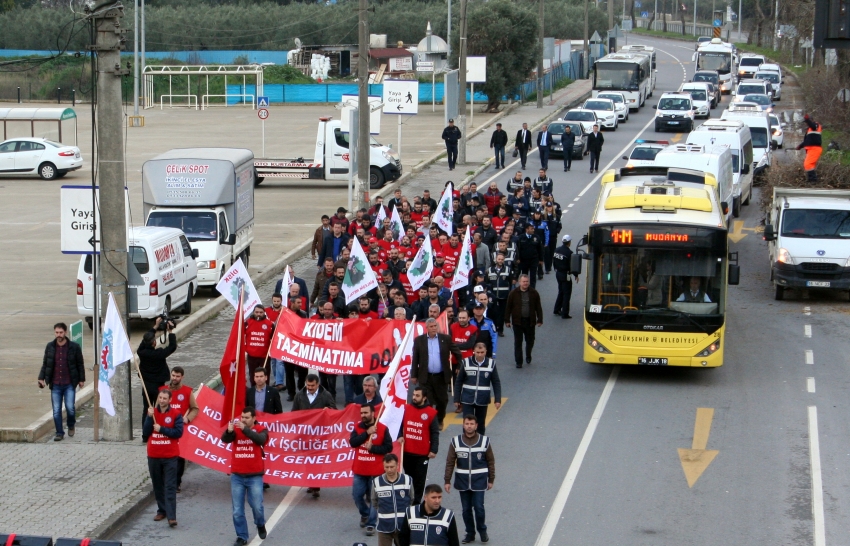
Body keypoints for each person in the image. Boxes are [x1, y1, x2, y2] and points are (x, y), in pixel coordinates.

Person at [443, 415, 495, 544]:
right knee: (466, 510)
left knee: (479, 507)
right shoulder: (455, 441)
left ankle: (482, 531)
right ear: (463, 425)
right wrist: (447, 481)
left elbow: (490, 461)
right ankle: (470, 533)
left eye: (472, 424)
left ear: (476, 425)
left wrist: (491, 479)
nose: (469, 426)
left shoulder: (484, 441)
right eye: (467, 423)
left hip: (479, 481)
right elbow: (450, 462)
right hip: (463, 482)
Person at [221, 407, 268, 546]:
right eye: (242, 417)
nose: (243, 420)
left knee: (257, 506)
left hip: (254, 476)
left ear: (253, 418)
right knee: (237, 510)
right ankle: (242, 536)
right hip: (237, 475)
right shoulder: (236, 429)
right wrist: (229, 431)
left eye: (247, 417)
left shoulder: (261, 429)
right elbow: (225, 439)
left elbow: (260, 440)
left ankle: (260, 523)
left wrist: (245, 429)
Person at [350, 404, 394, 536]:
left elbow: (388, 448)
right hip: (360, 470)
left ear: (373, 413)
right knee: (357, 496)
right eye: (361, 413)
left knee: (374, 499)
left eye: (365, 413)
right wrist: (366, 434)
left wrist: (373, 449)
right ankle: (365, 514)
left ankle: (371, 523)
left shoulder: (382, 428)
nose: (363, 415)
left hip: (376, 471)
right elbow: (353, 442)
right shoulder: (358, 427)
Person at [411, 318, 463, 428]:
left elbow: (457, 353)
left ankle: (439, 420)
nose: (434, 328)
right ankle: (429, 422)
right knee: (426, 400)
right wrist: (414, 375)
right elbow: (415, 358)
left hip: (441, 376)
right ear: (427, 328)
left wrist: (459, 366)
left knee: (442, 400)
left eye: (435, 326)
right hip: (426, 376)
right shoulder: (419, 340)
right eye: (431, 326)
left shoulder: (446, 339)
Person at [38, 322, 85, 441]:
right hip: (55, 384)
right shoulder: (50, 346)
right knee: (56, 410)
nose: (58, 335)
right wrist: (41, 378)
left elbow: (80, 364)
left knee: (70, 407)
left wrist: (81, 379)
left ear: (65, 333)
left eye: (61, 332)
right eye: (56, 332)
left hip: (69, 383)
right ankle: (59, 432)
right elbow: (46, 364)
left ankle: (71, 424)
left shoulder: (74, 347)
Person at [144, 389, 183, 528]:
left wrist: (162, 429)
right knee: (157, 484)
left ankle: (172, 516)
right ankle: (162, 510)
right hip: (154, 455)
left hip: (170, 456)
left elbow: (178, 433)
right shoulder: (152, 413)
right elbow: (145, 433)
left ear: (170, 400)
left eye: (165, 398)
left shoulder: (176, 414)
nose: (162, 400)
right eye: (160, 397)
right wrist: (149, 418)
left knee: (170, 485)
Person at [292, 374, 336, 499]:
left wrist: (329, 409)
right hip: (305, 435)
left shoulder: (326, 395)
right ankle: (311, 482)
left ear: (317, 384)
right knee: (307, 460)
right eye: (308, 385)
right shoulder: (299, 396)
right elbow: (293, 413)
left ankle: (315, 485)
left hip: (319, 435)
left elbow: (334, 410)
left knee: (316, 460)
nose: (310, 387)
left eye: (312, 385)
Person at [159, 367, 198, 492]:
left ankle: (176, 482)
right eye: (173, 375)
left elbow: (195, 408)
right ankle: (164, 480)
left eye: (177, 376)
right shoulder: (163, 390)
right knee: (163, 455)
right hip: (164, 429)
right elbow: (157, 408)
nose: (175, 378)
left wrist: (188, 419)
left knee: (179, 457)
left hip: (180, 430)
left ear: (182, 377)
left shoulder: (187, 391)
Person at [138, 317, 177, 433]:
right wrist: (170, 332)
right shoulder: (159, 354)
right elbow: (172, 347)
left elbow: (144, 341)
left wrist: (155, 326)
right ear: (154, 343)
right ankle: (158, 429)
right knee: (159, 408)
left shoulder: (141, 352)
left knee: (147, 408)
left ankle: (145, 433)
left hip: (146, 385)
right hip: (159, 385)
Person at [401, 386, 440, 505]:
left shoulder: (431, 413)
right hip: (407, 451)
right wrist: (399, 436)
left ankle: (416, 503)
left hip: (422, 454)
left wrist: (434, 449)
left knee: (419, 480)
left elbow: (434, 432)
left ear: (424, 398)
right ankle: (408, 500)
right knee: (408, 478)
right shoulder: (406, 408)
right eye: (413, 395)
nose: (414, 397)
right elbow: (398, 425)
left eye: (417, 396)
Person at [453, 343, 501, 436]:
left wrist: (497, 399)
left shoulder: (491, 364)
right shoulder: (466, 362)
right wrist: (456, 398)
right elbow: (459, 381)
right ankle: (466, 442)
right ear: (473, 351)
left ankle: (480, 443)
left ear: (486, 352)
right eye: (477, 352)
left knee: (480, 423)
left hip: (483, 399)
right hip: (467, 398)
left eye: (482, 352)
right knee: (468, 423)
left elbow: (496, 382)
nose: (479, 354)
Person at [372, 454, 414, 546]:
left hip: (403, 526)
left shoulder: (407, 480)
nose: (389, 470)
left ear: (397, 466)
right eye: (387, 467)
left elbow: (411, 499)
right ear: (383, 466)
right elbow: (374, 501)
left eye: (392, 467)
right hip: (384, 526)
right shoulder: (377, 482)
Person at [504, 274, 543, 368]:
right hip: (517, 322)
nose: (525, 283)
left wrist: (540, 319)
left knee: (530, 341)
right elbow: (508, 307)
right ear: (519, 282)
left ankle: (528, 354)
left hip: (530, 322)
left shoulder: (534, 293)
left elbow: (538, 307)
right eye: (523, 281)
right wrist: (507, 321)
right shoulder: (513, 293)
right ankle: (519, 361)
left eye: (527, 281)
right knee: (518, 342)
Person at [552, 235, 579, 319]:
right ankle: (565, 313)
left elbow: (554, 262)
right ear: (569, 242)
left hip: (558, 274)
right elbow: (572, 265)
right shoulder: (569, 253)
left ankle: (556, 309)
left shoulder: (557, 250)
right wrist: (576, 275)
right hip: (565, 275)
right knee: (566, 294)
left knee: (561, 291)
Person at [245, 305, 273, 384]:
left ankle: (266, 393)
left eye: (261, 312)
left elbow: (274, 339)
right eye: (256, 312)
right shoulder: (247, 323)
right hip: (252, 356)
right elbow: (242, 337)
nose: (258, 314)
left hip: (265, 356)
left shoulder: (270, 324)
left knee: (265, 376)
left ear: (264, 313)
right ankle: (254, 392)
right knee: (253, 376)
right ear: (253, 312)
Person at [516, 223, 543, 289]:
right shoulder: (521, 237)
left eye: (533, 228)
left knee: (533, 276)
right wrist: (518, 258)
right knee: (524, 275)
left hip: (534, 259)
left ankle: (532, 289)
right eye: (531, 229)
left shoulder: (536, 237)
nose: (533, 230)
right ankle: (524, 288)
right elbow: (518, 249)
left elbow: (540, 249)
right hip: (524, 260)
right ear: (527, 229)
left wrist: (541, 259)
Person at [797, 114, 823, 182]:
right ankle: (811, 180)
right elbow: (807, 141)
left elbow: (812, 125)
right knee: (810, 165)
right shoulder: (810, 130)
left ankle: (813, 180)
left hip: (815, 149)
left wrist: (807, 119)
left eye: (806, 122)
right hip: (811, 149)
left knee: (807, 164)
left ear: (810, 120)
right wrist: (800, 146)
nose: (806, 124)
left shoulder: (816, 125)